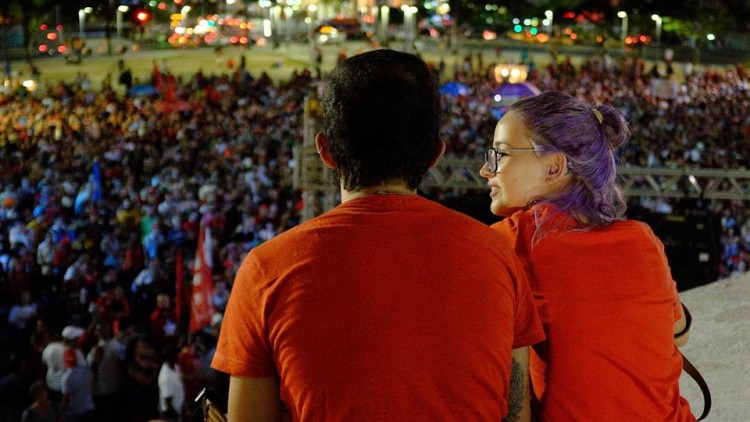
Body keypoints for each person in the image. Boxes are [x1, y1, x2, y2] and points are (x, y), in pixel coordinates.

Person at [212, 49, 544, 421]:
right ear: (435, 155)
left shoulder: (266, 270)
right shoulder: (498, 256)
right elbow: (516, 411)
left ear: (325, 151)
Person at [479, 91, 695, 421]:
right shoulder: (642, 238)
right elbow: (680, 333)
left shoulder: (508, 243)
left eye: (501, 154)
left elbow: (512, 409)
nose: (486, 169)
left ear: (554, 167)